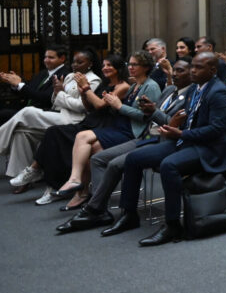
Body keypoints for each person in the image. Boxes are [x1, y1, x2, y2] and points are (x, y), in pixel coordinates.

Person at [100, 52, 226, 246]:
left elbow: (216, 130)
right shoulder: (195, 89)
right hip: (186, 142)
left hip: (208, 149)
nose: (193, 71)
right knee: (134, 158)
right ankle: (129, 214)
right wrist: (160, 115)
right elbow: (185, 119)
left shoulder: (219, 92)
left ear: (212, 70)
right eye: (192, 66)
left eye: (198, 67)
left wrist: (180, 134)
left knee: (168, 165)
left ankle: (172, 225)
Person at [55, 58, 195, 234]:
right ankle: (99, 208)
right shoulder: (169, 89)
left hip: (164, 140)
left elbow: (175, 124)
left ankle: (95, 210)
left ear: (192, 73)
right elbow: (151, 116)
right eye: (174, 70)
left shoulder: (191, 95)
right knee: (97, 159)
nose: (174, 74)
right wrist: (149, 109)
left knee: (116, 163)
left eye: (181, 71)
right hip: (146, 136)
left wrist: (149, 111)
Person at [53, 51, 161, 208]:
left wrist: (118, 105)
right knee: (92, 151)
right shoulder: (135, 85)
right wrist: (110, 101)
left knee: (82, 136)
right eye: (129, 64)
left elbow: (147, 116)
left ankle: (77, 182)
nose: (130, 67)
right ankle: (92, 198)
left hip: (133, 132)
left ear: (145, 67)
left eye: (134, 64)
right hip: (119, 127)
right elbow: (97, 107)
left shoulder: (151, 86)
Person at [30, 55, 131, 204]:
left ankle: (50, 179)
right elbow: (89, 107)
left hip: (105, 125)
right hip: (91, 120)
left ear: (118, 68)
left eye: (110, 65)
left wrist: (86, 88)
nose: (105, 68)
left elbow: (100, 105)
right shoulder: (105, 83)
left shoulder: (123, 86)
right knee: (53, 133)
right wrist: (83, 93)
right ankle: (50, 181)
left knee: (61, 137)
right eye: (103, 65)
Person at [1, 49, 99, 188]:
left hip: (75, 120)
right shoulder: (71, 76)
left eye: (80, 62)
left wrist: (60, 95)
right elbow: (54, 100)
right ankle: (23, 178)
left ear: (90, 64)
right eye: (74, 61)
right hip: (60, 114)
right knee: (21, 132)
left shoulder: (94, 80)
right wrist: (57, 92)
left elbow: (81, 106)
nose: (75, 65)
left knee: (27, 112)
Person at [0, 46, 70, 126]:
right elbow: (29, 90)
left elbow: (46, 98)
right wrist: (14, 83)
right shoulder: (43, 73)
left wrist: (19, 84)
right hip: (25, 109)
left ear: (62, 58)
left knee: (3, 114)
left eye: (51, 57)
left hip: (42, 114)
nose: (46, 60)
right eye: (45, 57)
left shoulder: (64, 75)